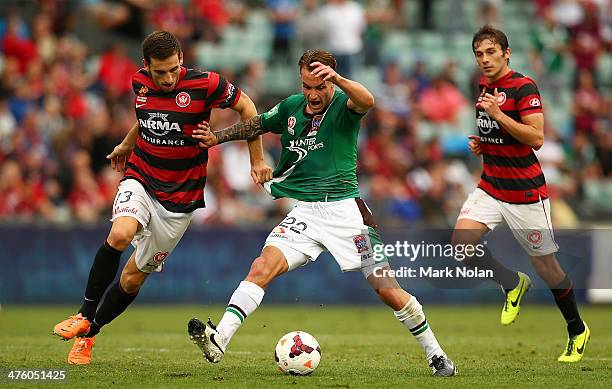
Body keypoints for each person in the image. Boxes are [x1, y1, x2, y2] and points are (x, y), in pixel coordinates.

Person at [188, 49, 457, 376]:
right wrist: (216, 138)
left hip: (347, 214)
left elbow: (368, 100)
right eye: (307, 86)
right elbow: (257, 124)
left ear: (332, 81)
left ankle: (436, 354)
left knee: (387, 289)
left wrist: (340, 81)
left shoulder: (345, 105)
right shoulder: (291, 107)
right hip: (306, 213)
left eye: (321, 86)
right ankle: (220, 339)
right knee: (262, 266)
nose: (313, 94)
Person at [51, 30, 272, 365]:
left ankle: (90, 334)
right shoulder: (139, 82)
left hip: (180, 199)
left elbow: (248, 107)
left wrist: (256, 158)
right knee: (120, 233)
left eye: (172, 70)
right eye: (160, 72)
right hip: (141, 175)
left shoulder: (206, 84)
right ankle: (83, 313)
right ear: (146, 67)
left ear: (181, 59)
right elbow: (147, 117)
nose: (167, 79)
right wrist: (128, 144)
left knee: (132, 277)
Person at [452, 25, 590, 362]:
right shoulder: (484, 86)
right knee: (461, 245)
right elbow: (499, 133)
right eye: (479, 54)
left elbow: (536, 137)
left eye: (490, 52)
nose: (484, 59)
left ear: (506, 53)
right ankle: (512, 283)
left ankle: (577, 329)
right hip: (491, 185)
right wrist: (482, 143)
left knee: (547, 268)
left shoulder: (523, 86)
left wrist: (498, 114)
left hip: (525, 193)